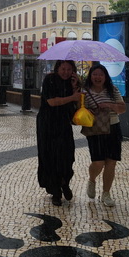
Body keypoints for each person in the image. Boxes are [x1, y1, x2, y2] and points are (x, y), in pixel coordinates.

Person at [37, 60, 82, 206]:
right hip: (48, 124)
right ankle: (55, 191)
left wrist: (75, 88)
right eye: (63, 69)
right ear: (57, 68)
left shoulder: (72, 83)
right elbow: (52, 102)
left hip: (63, 123)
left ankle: (64, 182)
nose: (66, 72)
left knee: (67, 156)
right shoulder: (49, 80)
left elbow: (76, 105)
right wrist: (72, 97)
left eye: (69, 69)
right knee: (50, 156)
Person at [83, 63, 127, 207]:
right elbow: (80, 109)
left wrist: (109, 105)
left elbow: (122, 108)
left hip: (113, 127)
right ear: (90, 76)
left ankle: (106, 193)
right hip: (95, 130)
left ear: (105, 77)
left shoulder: (112, 90)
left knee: (111, 162)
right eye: (95, 74)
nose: (98, 77)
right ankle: (92, 179)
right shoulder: (85, 92)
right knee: (98, 162)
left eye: (101, 74)